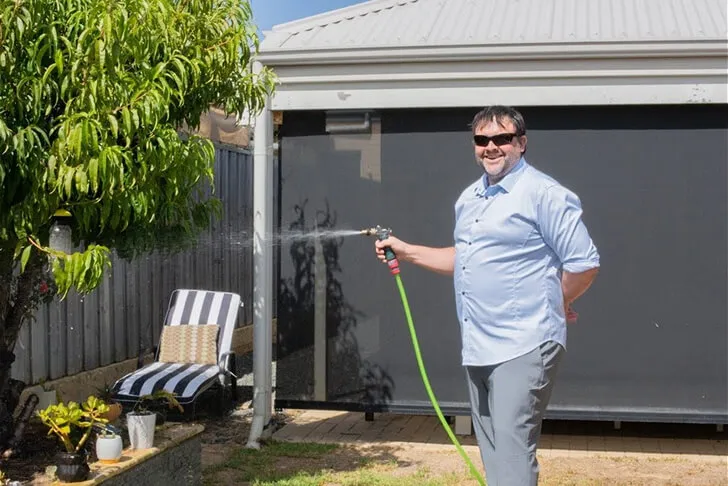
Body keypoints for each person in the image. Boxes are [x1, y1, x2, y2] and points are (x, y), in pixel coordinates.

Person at [375, 105, 600, 486]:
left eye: (502, 138)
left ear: (521, 143)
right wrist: (407, 250)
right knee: (494, 453)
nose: (491, 147)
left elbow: (584, 262)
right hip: (478, 345)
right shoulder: (470, 199)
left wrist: (558, 300)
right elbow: (464, 259)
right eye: (482, 140)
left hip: (524, 342)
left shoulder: (543, 194)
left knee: (512, 453)